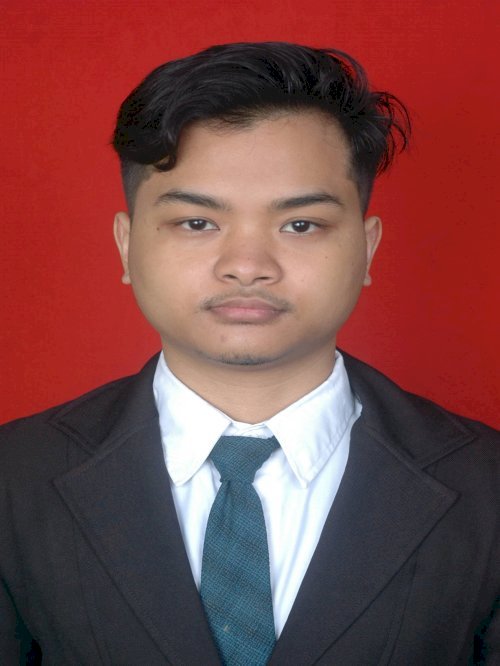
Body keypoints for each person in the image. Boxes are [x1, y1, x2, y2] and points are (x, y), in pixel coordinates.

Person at [0, 42, 498, 666]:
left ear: (367, 249)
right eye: (197, 223)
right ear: (126, 246)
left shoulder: (487, 486)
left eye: (300, 225)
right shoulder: (14, 477)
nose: (246, 266)